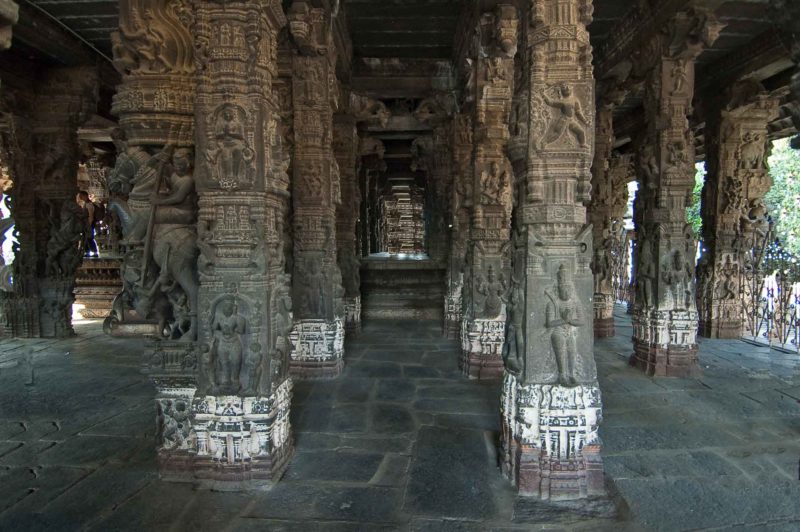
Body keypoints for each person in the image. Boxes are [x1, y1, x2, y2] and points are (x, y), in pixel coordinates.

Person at [76, 191, 98, 257]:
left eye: (81, 196)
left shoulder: (89, 204)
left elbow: (91, 216)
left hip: (89, 224)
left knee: (89, 238)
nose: (80, 197)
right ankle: (87, 252)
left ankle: (95, 252)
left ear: (85, 196)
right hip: (86, 224)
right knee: (85, 238)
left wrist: (89, 225)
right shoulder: (86, 204)